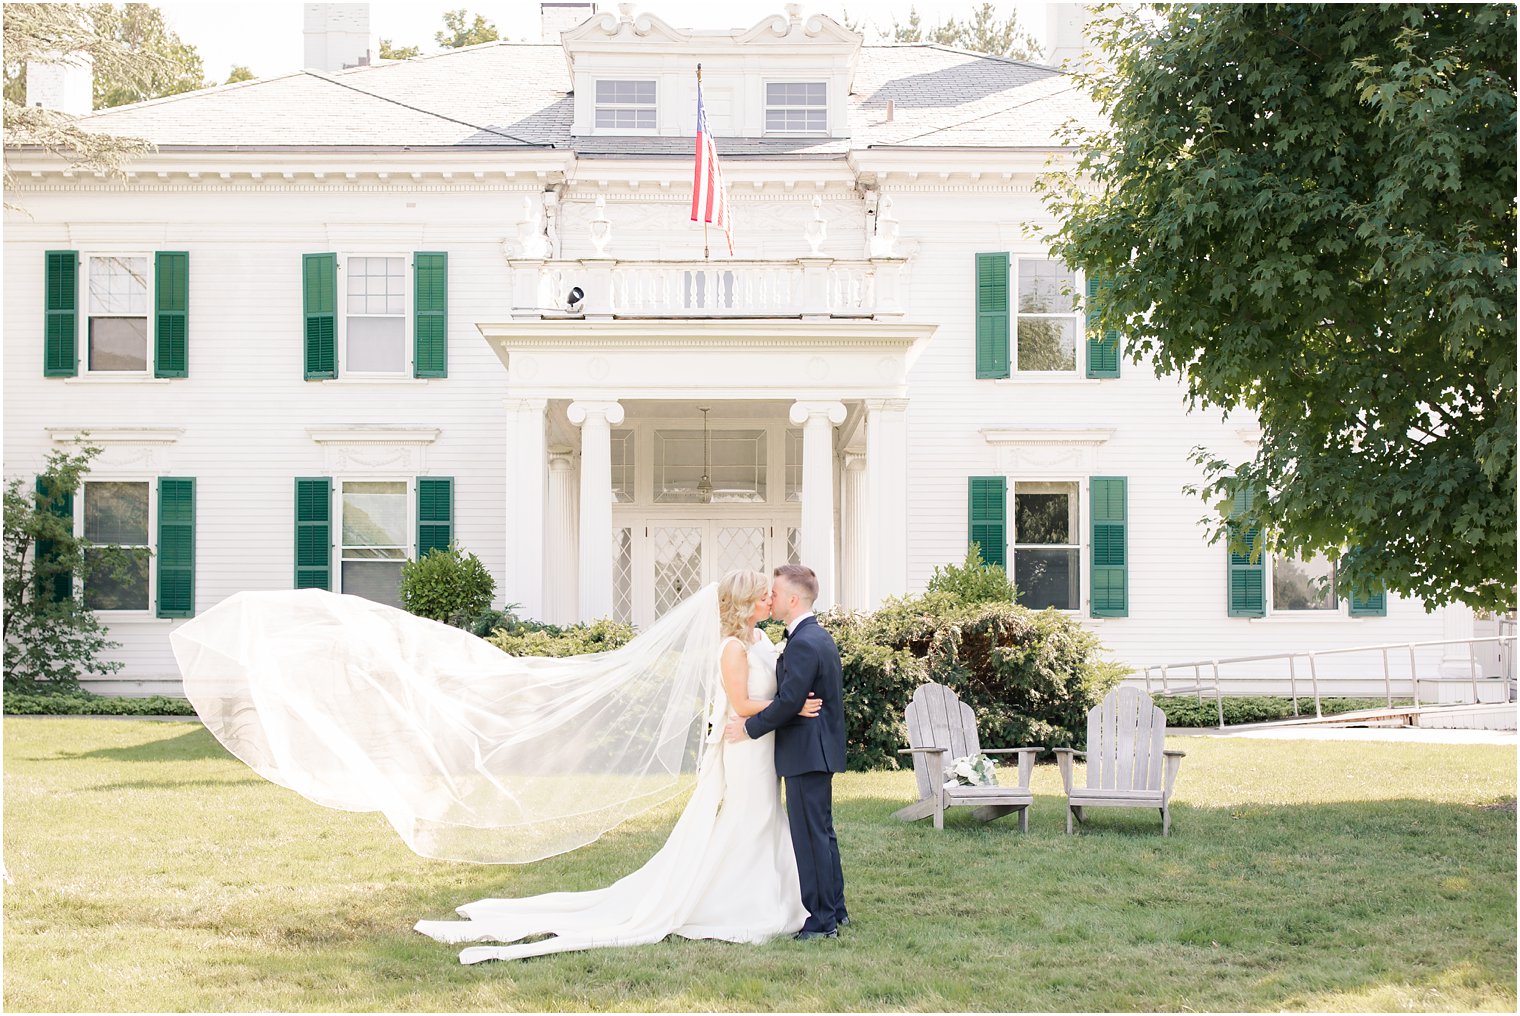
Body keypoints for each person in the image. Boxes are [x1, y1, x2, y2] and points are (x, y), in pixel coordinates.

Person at [169, 568, 827, 965]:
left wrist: (788, 705)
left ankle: (770, 897)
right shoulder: (734, 652)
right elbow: (743, 706)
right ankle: (743, 903)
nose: (771, 600)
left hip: (752, 751)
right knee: (745, 826)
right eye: (762, 597)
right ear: (745, 606)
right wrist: (795, 712)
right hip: (746, 752)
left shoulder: (753, 641)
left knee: (757, 826)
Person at [724, 564, 848, 939]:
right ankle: (835, 910)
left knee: (811, 837)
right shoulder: (812, 636)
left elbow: (789, 699)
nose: (770, 598)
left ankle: (822, 921)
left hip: (806, 752)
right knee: (821, 834)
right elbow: (791, 699)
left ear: (793, 599)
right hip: (813, 750)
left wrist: (749, 728)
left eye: (775, 593)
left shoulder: (805, 642)